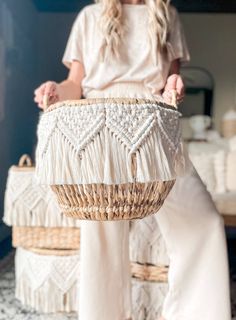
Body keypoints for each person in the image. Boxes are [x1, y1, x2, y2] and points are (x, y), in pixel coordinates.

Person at [34, 1, 231, 319]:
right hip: (98, 126)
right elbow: (75, 83)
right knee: (101, 231)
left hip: (153, 122)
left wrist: (173, 86)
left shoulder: (166, 14)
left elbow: (171, 78)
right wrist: (56, 90)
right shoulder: (90, 16)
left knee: (203, 220)